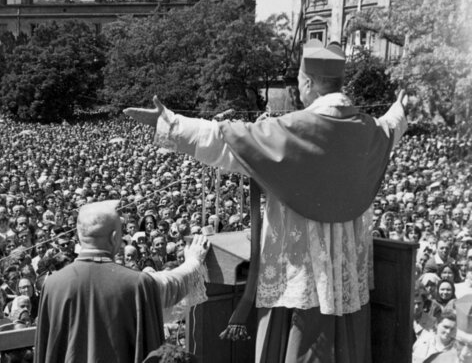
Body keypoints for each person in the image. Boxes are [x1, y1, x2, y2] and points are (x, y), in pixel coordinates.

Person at [124, 39, 408, 363]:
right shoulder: (369, 131)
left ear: (309, 83)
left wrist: (170, 123)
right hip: (345, 291)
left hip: (298, 287)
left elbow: (224, 139)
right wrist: (401, 105)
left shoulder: (293, 130)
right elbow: (393, 125)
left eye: (299, 80)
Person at [35, 200, 209, 363]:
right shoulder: (136, 283)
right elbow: (172, 285)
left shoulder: (52, 284)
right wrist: (193, 261)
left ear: (80, 236)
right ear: (113, 237)